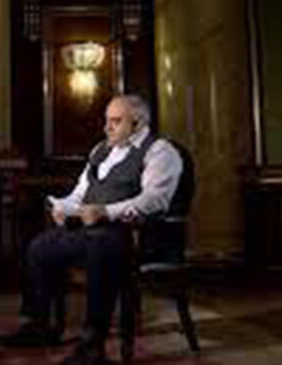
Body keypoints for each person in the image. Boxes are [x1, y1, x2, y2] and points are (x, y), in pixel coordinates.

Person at [15, 94, 183, 365]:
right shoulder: (100, 150)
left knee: (100, 246)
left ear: (138, 123)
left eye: (115, 121)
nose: (107, 128)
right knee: (40, 247)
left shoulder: (160, 152)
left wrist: (106, 211)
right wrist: (62, 207)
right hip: (94, 233)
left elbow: (154, 200)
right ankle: (41, 326)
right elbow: (80, 194)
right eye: (107, 121)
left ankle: (93, 342)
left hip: (136, 238)